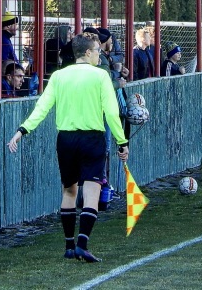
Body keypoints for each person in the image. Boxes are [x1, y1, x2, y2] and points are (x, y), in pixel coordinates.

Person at [7, 33, 129, 263]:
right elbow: (112, 113)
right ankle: (83, 244)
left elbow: (42, 107)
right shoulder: (100, 75)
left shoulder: (59, 76)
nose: (100, 54)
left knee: (69, 190)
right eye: (97, 51)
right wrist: (122, 142)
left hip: (66, 140)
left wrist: (22, 130)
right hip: (92, 138)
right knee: (91, 191)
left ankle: (68, 245)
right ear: (87, 53)